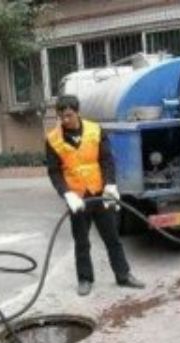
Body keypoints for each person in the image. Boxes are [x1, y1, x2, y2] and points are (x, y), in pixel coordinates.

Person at [46, 95, 145, 296]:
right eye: (62, 117)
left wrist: (110, 185)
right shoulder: (53, 140)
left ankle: (123, 275)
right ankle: (84, 279)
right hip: (78, 199)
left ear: (77, 111)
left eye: (69, 115)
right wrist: (66, 194)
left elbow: (107, 159)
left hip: (99, 194)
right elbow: (54, 172)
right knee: (81, 241)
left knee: (112, 238)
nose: (65, 120)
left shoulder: (95, 130)